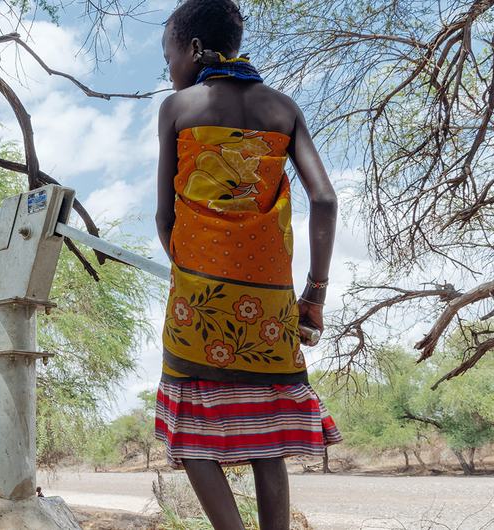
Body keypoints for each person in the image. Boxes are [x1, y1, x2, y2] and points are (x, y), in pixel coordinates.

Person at [154, 1, 343, 529]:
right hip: (272, 302)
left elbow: (163, 215)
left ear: (192, 50)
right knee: (268, 440)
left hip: (199, 296)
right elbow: (324, 201)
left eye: (168, 57)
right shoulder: (283, 109)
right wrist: (315, 295)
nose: (169, 71)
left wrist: (195, 271)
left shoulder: (179, 108)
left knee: (190, 432)